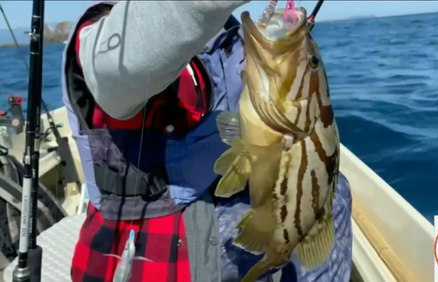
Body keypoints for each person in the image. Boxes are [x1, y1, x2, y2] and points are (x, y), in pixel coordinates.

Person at [62, 1, 353, 282]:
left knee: (334, 192)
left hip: (217, 200)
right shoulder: (100, 33)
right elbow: (123, 64)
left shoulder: (223, 36)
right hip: (157, 244)